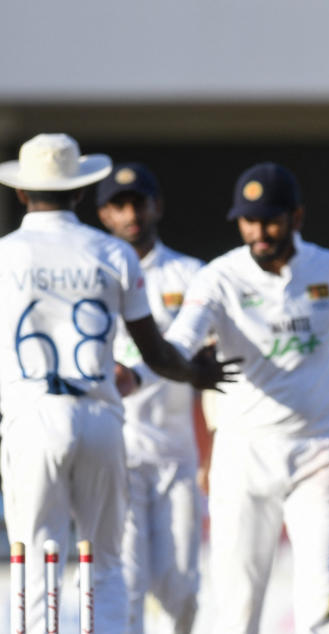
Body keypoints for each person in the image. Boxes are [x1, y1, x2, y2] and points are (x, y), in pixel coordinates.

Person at [0, 133, 232, 634]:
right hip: (104, 420)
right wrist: (198, 374)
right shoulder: (111, 253)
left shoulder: (5, 254)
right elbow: (155, 354)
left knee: (37, 558)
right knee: (106, 565)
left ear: (22, 193)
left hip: (32, 416)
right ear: (82, 193)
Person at [162, 162, 329, 634]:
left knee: (323, 605)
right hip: (242, 454)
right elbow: (179, 341)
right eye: (248, 220)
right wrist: (186, 368)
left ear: (296, 217)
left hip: (317, 451)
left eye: (270, 219)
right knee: (238, 609)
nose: (258, 231)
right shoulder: (219, 278)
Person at [96, 163, 204, 634]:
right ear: (104, 214)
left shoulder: (192, 274)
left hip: (177, 457)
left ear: (156, 205)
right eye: (118, 205)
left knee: (181, 587)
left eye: (138, 201)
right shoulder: (93, 274)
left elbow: (203, 356)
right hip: (116, 454)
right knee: (129, 583)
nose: (130, 213)